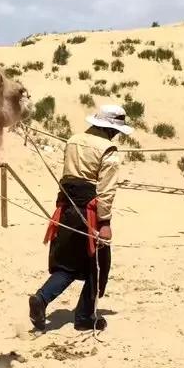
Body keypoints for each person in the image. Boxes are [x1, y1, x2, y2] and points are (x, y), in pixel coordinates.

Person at [28, 103, 130, 332]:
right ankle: (84, 316)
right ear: (111, 129)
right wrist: (104, 223)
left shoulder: (74, 139)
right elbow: (106, 191)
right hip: (89, 212)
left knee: (68, 264)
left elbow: (69, 176)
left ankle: (42, 299)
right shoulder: (108, 150)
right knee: (97, 265)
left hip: (66, 208)